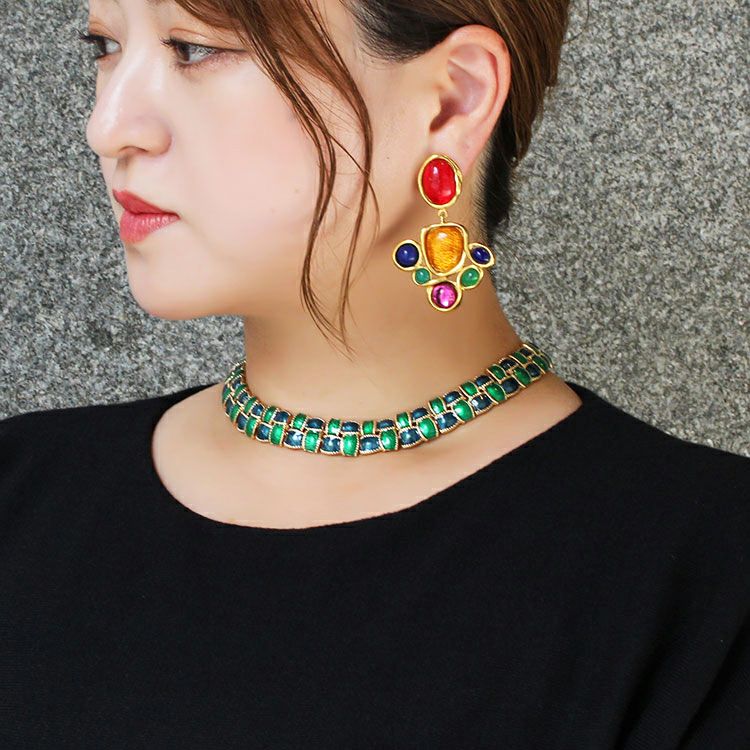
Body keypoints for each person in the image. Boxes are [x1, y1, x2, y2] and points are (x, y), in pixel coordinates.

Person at [1, 0, 747, 747]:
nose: (107, 127)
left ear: (453, 100)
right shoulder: (21, 491)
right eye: (104, 46)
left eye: (193, 48)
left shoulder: (706, 577)